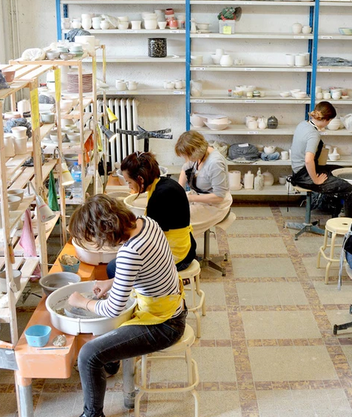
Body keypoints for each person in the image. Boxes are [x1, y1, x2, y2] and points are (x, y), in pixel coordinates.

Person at [67, 195, 187, 417]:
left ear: (104, 231)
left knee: (88, 354)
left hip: (166, 325)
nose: (96, 242)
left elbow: (112, 308)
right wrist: (111, 282)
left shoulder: (129, 253)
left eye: (92, 237)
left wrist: (82, 302)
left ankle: (92, 414)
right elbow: (150, 268)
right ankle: (111, 362)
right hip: (172, 306)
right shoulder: (148, 223)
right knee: (112, 279)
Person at [106, 151, 196, 278]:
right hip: (182, 245)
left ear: (140, 179)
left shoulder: (162, 194)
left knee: (113, 267)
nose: (129, 186)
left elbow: (149, 236)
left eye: (129, 182)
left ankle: (137, 296)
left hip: (178, 255)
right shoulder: (162, 183)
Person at [290, 101, 352, 217]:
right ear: (327, 120)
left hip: (298, 171)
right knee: (349, 189)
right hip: (305, 176)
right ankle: (351, 226)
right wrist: (315, 179)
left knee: (340, 170)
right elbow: (308, 160)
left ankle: (336, 213)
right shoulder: (313, 134)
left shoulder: (303, 124)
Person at [175, 130, 232, 237]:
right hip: (199, 196)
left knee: (178, 221)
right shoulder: (198, 154)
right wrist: (179, 190)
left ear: (195, 151)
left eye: (187, 156)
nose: (186, 159)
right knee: (169, 209)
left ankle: (184, 250)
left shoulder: (215, 163)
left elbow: (219, 197)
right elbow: (185, 168)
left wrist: (190, 199)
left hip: (216, 205)